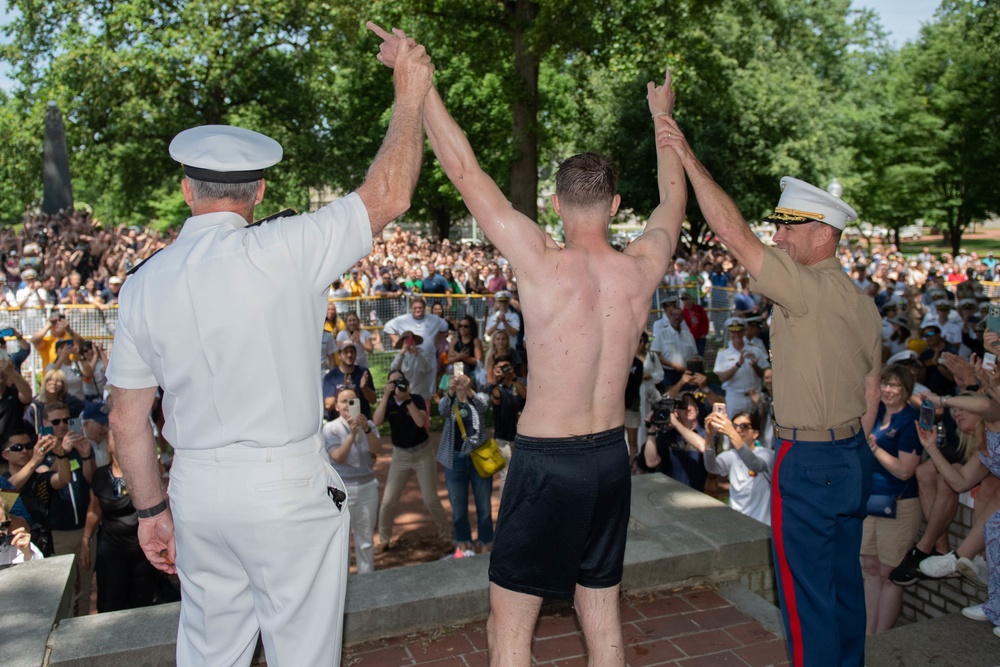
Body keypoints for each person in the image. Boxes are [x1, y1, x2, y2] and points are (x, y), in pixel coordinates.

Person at [105, 33, 435, 666]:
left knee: (210, 652)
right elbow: (390, 195)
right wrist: (409, 92)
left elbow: (127, 418)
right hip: (283, 485)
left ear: (186, 191)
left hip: (196, 487)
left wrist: (151, 509)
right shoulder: (286, 248)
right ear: (257, 191)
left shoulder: (143, 283)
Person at [372, 27, 685, 661]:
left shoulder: (539, 257)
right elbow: (675, 195)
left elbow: (462, 169)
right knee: (602, 616)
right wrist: (662, 118)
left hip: (548, 462)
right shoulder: (643, 263)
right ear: (617, 204)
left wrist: (418, 80)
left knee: (508, 625)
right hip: (607, 460)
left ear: (555, 203)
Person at [661, 115, 882, 666]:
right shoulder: (859, 299)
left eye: (789, 226)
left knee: (806, 601)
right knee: (842, 588)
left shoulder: (805, 288)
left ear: (824, 233)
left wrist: (685, 152)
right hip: (851, 453)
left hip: (809, 459)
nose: (778, 236)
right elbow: (873, 384)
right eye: (777, 227)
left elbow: (734, 233)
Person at [913, 386, 1000, 638]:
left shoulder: (994, 415)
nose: (957, 414)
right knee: (994, 530)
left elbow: (985, 405)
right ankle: (995, 606)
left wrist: (941, 400)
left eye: (963, 408)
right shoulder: (985, 442)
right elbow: (960, 482)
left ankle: (960, 558)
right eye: (955, 411)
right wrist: (930, 447)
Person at [861, 365, 922, 634]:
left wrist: (875, 448)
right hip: (869, 501)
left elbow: (905, 470)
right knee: (871, 568)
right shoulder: (874, 415)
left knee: (889, 574)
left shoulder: (911, 420)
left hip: (899, 504)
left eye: (895, 385)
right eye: (885, 384)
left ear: (906, 390)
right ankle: (867, 634)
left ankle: (882, 638)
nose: (888, 390)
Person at [372, 369, 452, 550]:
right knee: (388, 501)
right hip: (400, 455)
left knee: (430, 499)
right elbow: (376, 421)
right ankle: (383, 540)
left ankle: (446, 537)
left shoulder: (415, 399)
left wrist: (407, 399)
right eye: (392, 382)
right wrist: (385, 396)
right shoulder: (389, 402)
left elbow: (420, 421)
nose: (396, 385)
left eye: (400, 381)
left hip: (423, 453)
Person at [80, 431, 158, 612]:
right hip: (110, 550)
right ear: (108, 445)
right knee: (111, 602)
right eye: (115, 437)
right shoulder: (100, 475)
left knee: (142, 603)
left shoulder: (143, 472)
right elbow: (94, 510)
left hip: (141, 548)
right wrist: (85, 540)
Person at [322, 386, 382, 574]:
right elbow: (337, 456)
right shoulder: (330, 428)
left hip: (367, 488)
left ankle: (367, 584)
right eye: (343, 402)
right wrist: (352, 434)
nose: (348, 406)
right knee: (341, 543)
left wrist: (365, 429)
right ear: (337, 406)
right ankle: (342, 589)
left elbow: (377, 449)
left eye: (352, 401)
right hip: (341, 490)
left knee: (365, 541)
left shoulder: (368, 425)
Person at [438, 373, 493, 555]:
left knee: (484, 505)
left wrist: (469, 389)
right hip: (455, 459)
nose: (459, 381)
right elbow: (442, 411)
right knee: (458, 505)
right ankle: (463, 541)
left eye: (463, 379)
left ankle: (486, 541)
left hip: (479, 458)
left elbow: (483, 407)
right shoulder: (449, 400)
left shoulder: (478, 397)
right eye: (455, 379)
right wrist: (452, 391)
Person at [702, 410, 774, 525]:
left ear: (756, 433)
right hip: (736, 524)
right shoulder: (731, 456)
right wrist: (709, 436)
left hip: (761, 525)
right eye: (735, 426)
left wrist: (731, 433)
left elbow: (755, 464)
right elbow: (711, 467)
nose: (738, 430)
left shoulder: (767, 454)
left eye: (744, 426)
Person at [383, 297, 449, 398]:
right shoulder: (403, 319)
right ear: (411, 309)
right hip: (408, 356)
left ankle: (427, 403)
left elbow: (444, 327)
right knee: (409, 381)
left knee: (428, 382)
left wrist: (436, 341)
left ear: (424, 308)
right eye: (415, 308)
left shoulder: (434, 319)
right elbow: (388, 327)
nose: (417, 310)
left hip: (428, 355)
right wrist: (398, 343)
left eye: (420, 308)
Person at [713, 317, 768, 418]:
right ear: (729, 334)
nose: (736, 335)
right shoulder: (723, 354)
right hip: (735, 398)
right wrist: (738, 364)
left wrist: (755, 367)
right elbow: (721, 378)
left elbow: (765, 374)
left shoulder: (755, 350)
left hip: (754, 395)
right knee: (733, 428)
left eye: (739, 331)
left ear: (744, 332)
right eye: (733, 332)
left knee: (758, 428)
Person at [489, 354, 526, 495]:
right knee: (506, 475)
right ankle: (505, 511)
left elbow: (526, 396)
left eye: (506, 367)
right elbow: (496, 400)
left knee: (523, 473)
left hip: (521, 436)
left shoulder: (521, 382)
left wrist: (514, 378)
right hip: (503, 436)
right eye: (500, 368)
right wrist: (496, 382)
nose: (503, 370)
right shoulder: (494, 386)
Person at [322, 340, 377, 418]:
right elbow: (328, 405)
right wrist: (343, 388)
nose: (349, 355)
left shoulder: (363, 373)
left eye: (352, 352)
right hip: (338, 424)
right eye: (345, 352)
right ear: (339, 355)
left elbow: (373, 400)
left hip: (360, 422)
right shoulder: (331, 376)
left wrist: (364, 388)